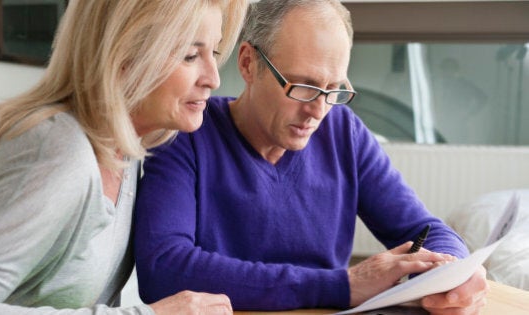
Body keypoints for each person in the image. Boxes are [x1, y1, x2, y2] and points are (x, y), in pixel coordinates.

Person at [133, 0, 488, 314]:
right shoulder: (185, 132)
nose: (318, 111)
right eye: (303, 86)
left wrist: (453, 269)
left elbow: (424, 230)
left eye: (334, 90)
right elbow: (163, 269)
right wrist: (341, 285)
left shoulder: (343, 132)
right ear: (247, 64)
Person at [0, 0, 247, 314]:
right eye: (190, 55)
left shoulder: (125, 151)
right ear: (125, 56)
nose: (213, 78)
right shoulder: (59, 153)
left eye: (214, 53)